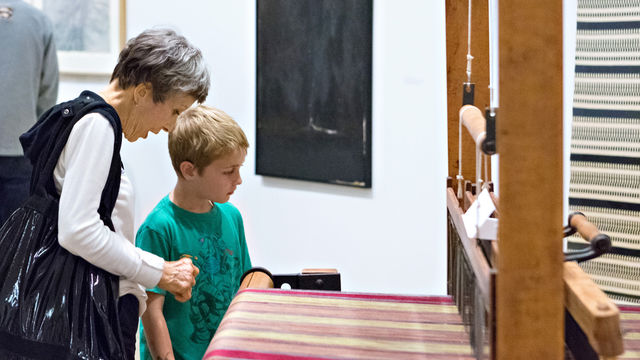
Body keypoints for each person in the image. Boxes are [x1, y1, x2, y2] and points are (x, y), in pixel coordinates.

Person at [46, 28, 207, 359]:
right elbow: (78, 229)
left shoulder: (86, 118)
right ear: (144, 92)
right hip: (87, 315)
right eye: (176, 111)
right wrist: (159, 271)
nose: (172, 127)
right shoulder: (98, 127)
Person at [137, 105, 252, 360]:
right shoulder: (158, 228)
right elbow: (151, 312)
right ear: (189, 170)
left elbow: (244, 289)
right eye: (228, 171)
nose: (239, 179)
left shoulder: (232, 217)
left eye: (239, 168)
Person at [0, 0, 59, 225]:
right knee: (13, 241)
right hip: (22, 146)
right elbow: (48, 92)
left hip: (22, 151)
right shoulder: (39, 21)